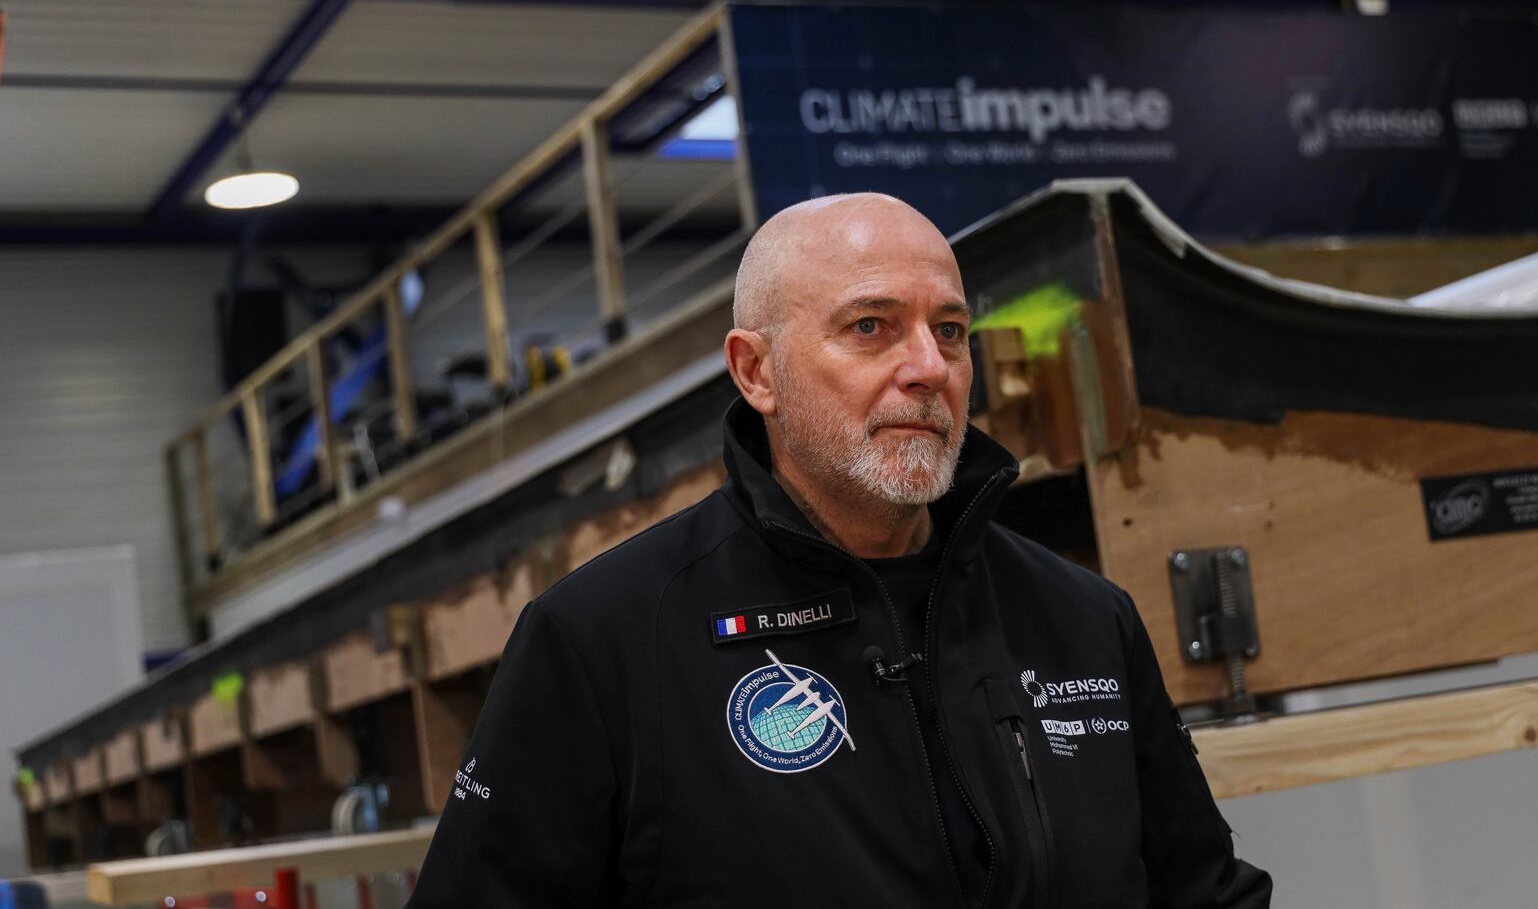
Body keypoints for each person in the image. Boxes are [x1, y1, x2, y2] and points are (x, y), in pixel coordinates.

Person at [407, 193, 1272, 907]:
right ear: (757, 372)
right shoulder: (603, 641)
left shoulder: (1084, 618)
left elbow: (1204, 893)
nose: (929, 367)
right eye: (871, 327)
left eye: (952, 330)